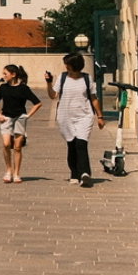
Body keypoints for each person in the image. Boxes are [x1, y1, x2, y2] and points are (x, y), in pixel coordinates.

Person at [45, 53, 105, 186]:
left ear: (72, 65)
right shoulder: (62, 77)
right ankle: (74, 173)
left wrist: (100, 116)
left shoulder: (87, 79)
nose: (65, 65)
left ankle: (85, 173)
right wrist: (49, 83)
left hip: (84, 116)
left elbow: (94, 98)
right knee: (71, 145)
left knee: (81, 144)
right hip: (65, 117)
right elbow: (53, 95)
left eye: (67, 63)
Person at [0, 64, 42, 183]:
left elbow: (37, 103)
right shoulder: (3, 88)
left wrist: (28, 116)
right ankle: (8, 170)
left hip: (20, 118)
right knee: (6, 144)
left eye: (5, 74)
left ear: (13, 74)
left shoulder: (23, 88)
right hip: (6, 118)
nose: (3, 76)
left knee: (18, 147)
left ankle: (16, 173)